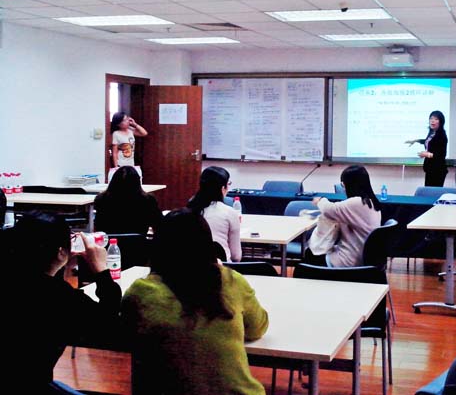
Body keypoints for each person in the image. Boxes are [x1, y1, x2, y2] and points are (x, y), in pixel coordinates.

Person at [121, 209, 269, 395]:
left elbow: (126, 335)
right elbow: (257, 328)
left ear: (158, 247)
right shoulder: (231, 281)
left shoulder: (140, 292)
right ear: (208, 246)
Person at [8, 211, 121, 393]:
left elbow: (43, 279)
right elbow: (108, 322)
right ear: (61, 252)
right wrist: (101, 270)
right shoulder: (62, 299)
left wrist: (60, 260)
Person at [308, 165, 382, 268]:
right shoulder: (370, 202)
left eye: (343, 184)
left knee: (308, 257)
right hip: (361, 257)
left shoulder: (357, 203)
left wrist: (320, 200)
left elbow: (329, 209)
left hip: (349, 261)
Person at [187, 166, 241, 261]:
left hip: (191, 265)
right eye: (228, 184)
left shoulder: (189, 209)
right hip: (221, 266)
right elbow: (236, 257)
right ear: (223, 188)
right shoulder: (230, 212)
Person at [94, 166, 162, 235]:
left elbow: (98, 226)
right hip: (138, 240)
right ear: (137, 181)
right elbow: (158, 225)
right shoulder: (148, 200)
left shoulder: (101, 199)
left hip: (109, 240)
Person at [406, 110, 449, 187]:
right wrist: (416, 141)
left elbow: (441, 155)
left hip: (438, 169)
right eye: (431, 118)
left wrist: (427, 154)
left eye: (436, 119)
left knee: (433, 192)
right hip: (430, 168)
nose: (432, 121)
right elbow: (429, 142)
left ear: (441, 122)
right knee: (427, 190)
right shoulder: (432, 133)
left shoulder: (442, 135)